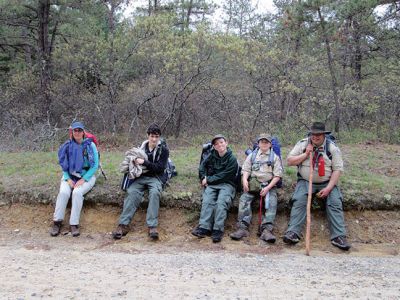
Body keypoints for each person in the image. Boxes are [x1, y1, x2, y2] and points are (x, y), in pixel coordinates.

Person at [283, 122, 351, 250]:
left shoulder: (332, 148)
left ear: (324, 135)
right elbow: (289, 161)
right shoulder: (303, 144)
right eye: (313, 134)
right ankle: (293, 233)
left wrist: (328, 188)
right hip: (305, 181)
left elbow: (337, 170)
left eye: (318, 135)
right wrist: (305, 154)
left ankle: (339, 236)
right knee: (299, 200)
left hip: (327, 181)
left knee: (335, 201)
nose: (315, 137)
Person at [112, 124, 169, 240]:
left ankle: (152, 226)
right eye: (152, 136)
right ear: (147, 135)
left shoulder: (164, 150)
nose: (154, 139)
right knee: (132, 192)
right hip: (141, 177)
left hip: (155, 177)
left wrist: (144, 162)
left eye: (156, 137)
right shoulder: (140, 148)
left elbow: (160, 168)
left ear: (159, 137)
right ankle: (123, 225)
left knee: (155, 193)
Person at [230, 134, 283, 243]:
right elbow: (245, 170)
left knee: (272, 201)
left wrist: (268, 188)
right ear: (258, 143)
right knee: (244, 199)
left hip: (268, 185)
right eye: (261, 142)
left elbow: (277, 176)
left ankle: (266, 230)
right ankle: (242, 228)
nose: (264, 144)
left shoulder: (274, 157)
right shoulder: (252, 156)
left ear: (270, 144)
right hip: (253, 185)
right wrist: (244, 180)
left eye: (266, 142)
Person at [51, 121, 99, 237]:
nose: (77, 132)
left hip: (87, 176)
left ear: (83, 132)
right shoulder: (67, 146)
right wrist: (68, 179)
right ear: (72, 132)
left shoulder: (90, 145)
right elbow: (64, 165)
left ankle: (74, 224)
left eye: (79, 130)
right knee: (63, 193)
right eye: (75, 130)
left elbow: (95, 165)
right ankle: (57, 222)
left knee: (77, 193)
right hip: (70, 175)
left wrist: (84, 179)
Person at [192, 134, 238, 243]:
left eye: (221, 142)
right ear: (214, 146)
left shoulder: (232, 158)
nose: (219, 145)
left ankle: (218, 230)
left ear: (226, 143)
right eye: (216, 144)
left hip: (227, 183)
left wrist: (208, 180)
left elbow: (225, 175)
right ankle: (204, 227)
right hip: (212, 184)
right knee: (207, 201)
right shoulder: (212, 155)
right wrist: (203, 177)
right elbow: (202, 166)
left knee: (221, 203)